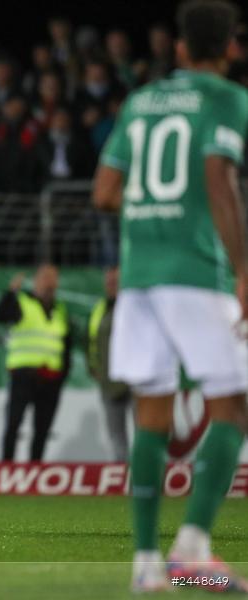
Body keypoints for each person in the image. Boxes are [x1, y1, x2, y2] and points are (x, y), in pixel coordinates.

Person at [92, 0, 248, 592]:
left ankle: (145, 566)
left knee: (150, 415)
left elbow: (105, 192)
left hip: (139, 277)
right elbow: (218, 176)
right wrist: (244, 268)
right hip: (194, 270)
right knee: (233, 407)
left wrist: (151, 202)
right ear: (231, 47)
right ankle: (193, 547)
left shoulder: (140, 101)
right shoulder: (228, 98)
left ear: (179, 48)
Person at [0, 264, 71, 461]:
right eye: (45, 277)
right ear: (36, 280)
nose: (50, 283)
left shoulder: (59, 309)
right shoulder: (23, 302)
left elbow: (65, 344)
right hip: (24, 375)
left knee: (42, 430)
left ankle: (35, 472)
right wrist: (11, 293)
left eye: (53, 278)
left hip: (51, 378)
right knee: (13, 424)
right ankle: (6, 469)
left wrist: (62, 375)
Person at [87, 267, 131, 462]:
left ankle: (145, 476)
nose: (111, 286)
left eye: (115, 282)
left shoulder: (134, 306)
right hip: (108, 381)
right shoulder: (100, 308)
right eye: (109, 282)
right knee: (116, 436)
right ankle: (122, 476)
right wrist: (94, 367)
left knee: (144, 430)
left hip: (135, 380)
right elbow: (92, 340)